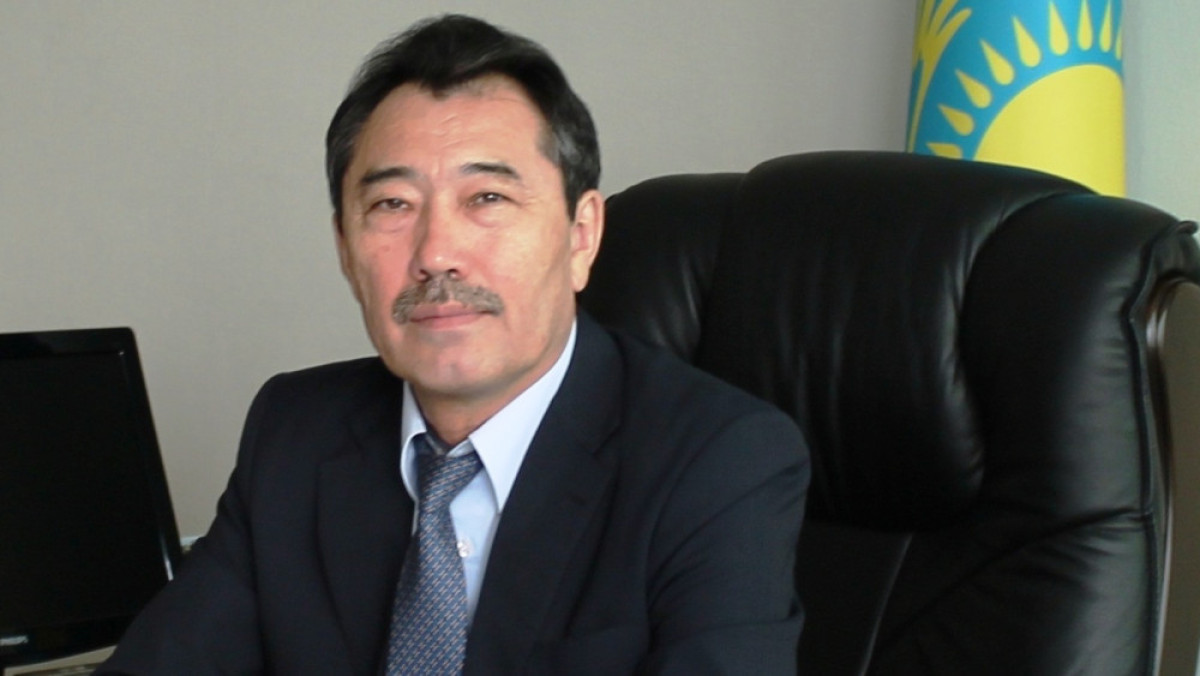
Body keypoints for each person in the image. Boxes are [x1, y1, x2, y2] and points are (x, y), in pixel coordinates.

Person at [99, 14, 809, 675]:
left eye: (487, 199)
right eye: (392, 205)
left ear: (580, 236)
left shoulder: (719, 461)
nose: (436, 252)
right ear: (345, 249)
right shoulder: (296, 431)